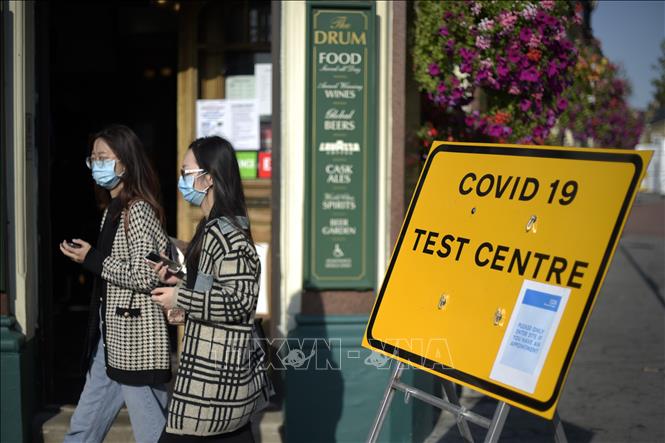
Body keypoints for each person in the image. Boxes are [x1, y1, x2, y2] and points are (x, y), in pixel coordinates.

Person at [151, 136, 271, 442]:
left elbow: (239, 302)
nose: (181, 180)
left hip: (214, 377)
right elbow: (208, 292)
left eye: (186, 172)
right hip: (212, 373)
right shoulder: (211, 227)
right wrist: (177, 283)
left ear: (209, 177)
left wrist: (180, 297)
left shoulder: (228, 234)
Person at [59, 124, 172, 443]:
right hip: (111, 336)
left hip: (135, 341)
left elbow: (145, 274)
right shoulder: (112, 208)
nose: (97, 164)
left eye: (104, 157)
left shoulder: (137, 210)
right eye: (93, 158)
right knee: (84, 424)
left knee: (152, 432)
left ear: (125, 161)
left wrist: (92, 259)